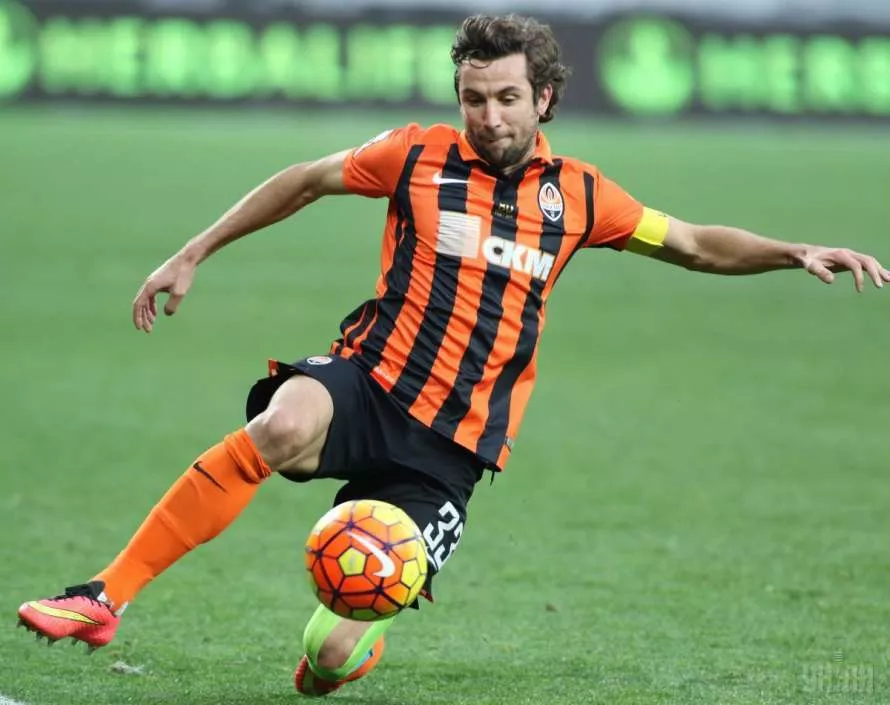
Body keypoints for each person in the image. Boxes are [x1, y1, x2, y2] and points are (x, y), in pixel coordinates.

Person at [17, 12, 888, 698]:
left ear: (544, 98)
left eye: (507, 97)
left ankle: (340, 652)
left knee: (332, 649)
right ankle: (103, 595)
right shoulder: (415, 156)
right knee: (282, 422)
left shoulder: (583, 197)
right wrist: (193, 251)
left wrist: (794, 251)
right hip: (370, 382)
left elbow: (694, 242)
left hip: (452, 449)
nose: (489, 116)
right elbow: (306, 178)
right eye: (474, 97)